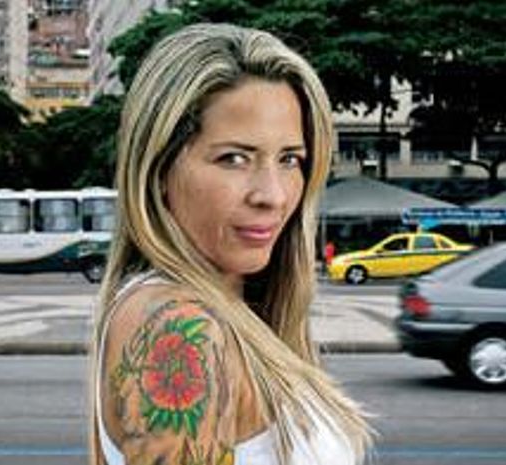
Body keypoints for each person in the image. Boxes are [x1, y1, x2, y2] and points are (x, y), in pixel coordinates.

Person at [91, 23, 372, 465]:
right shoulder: (178, 327)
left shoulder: (229, 311)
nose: (273, 195)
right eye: (234, 158)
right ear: (159, 169)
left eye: (289, 159)